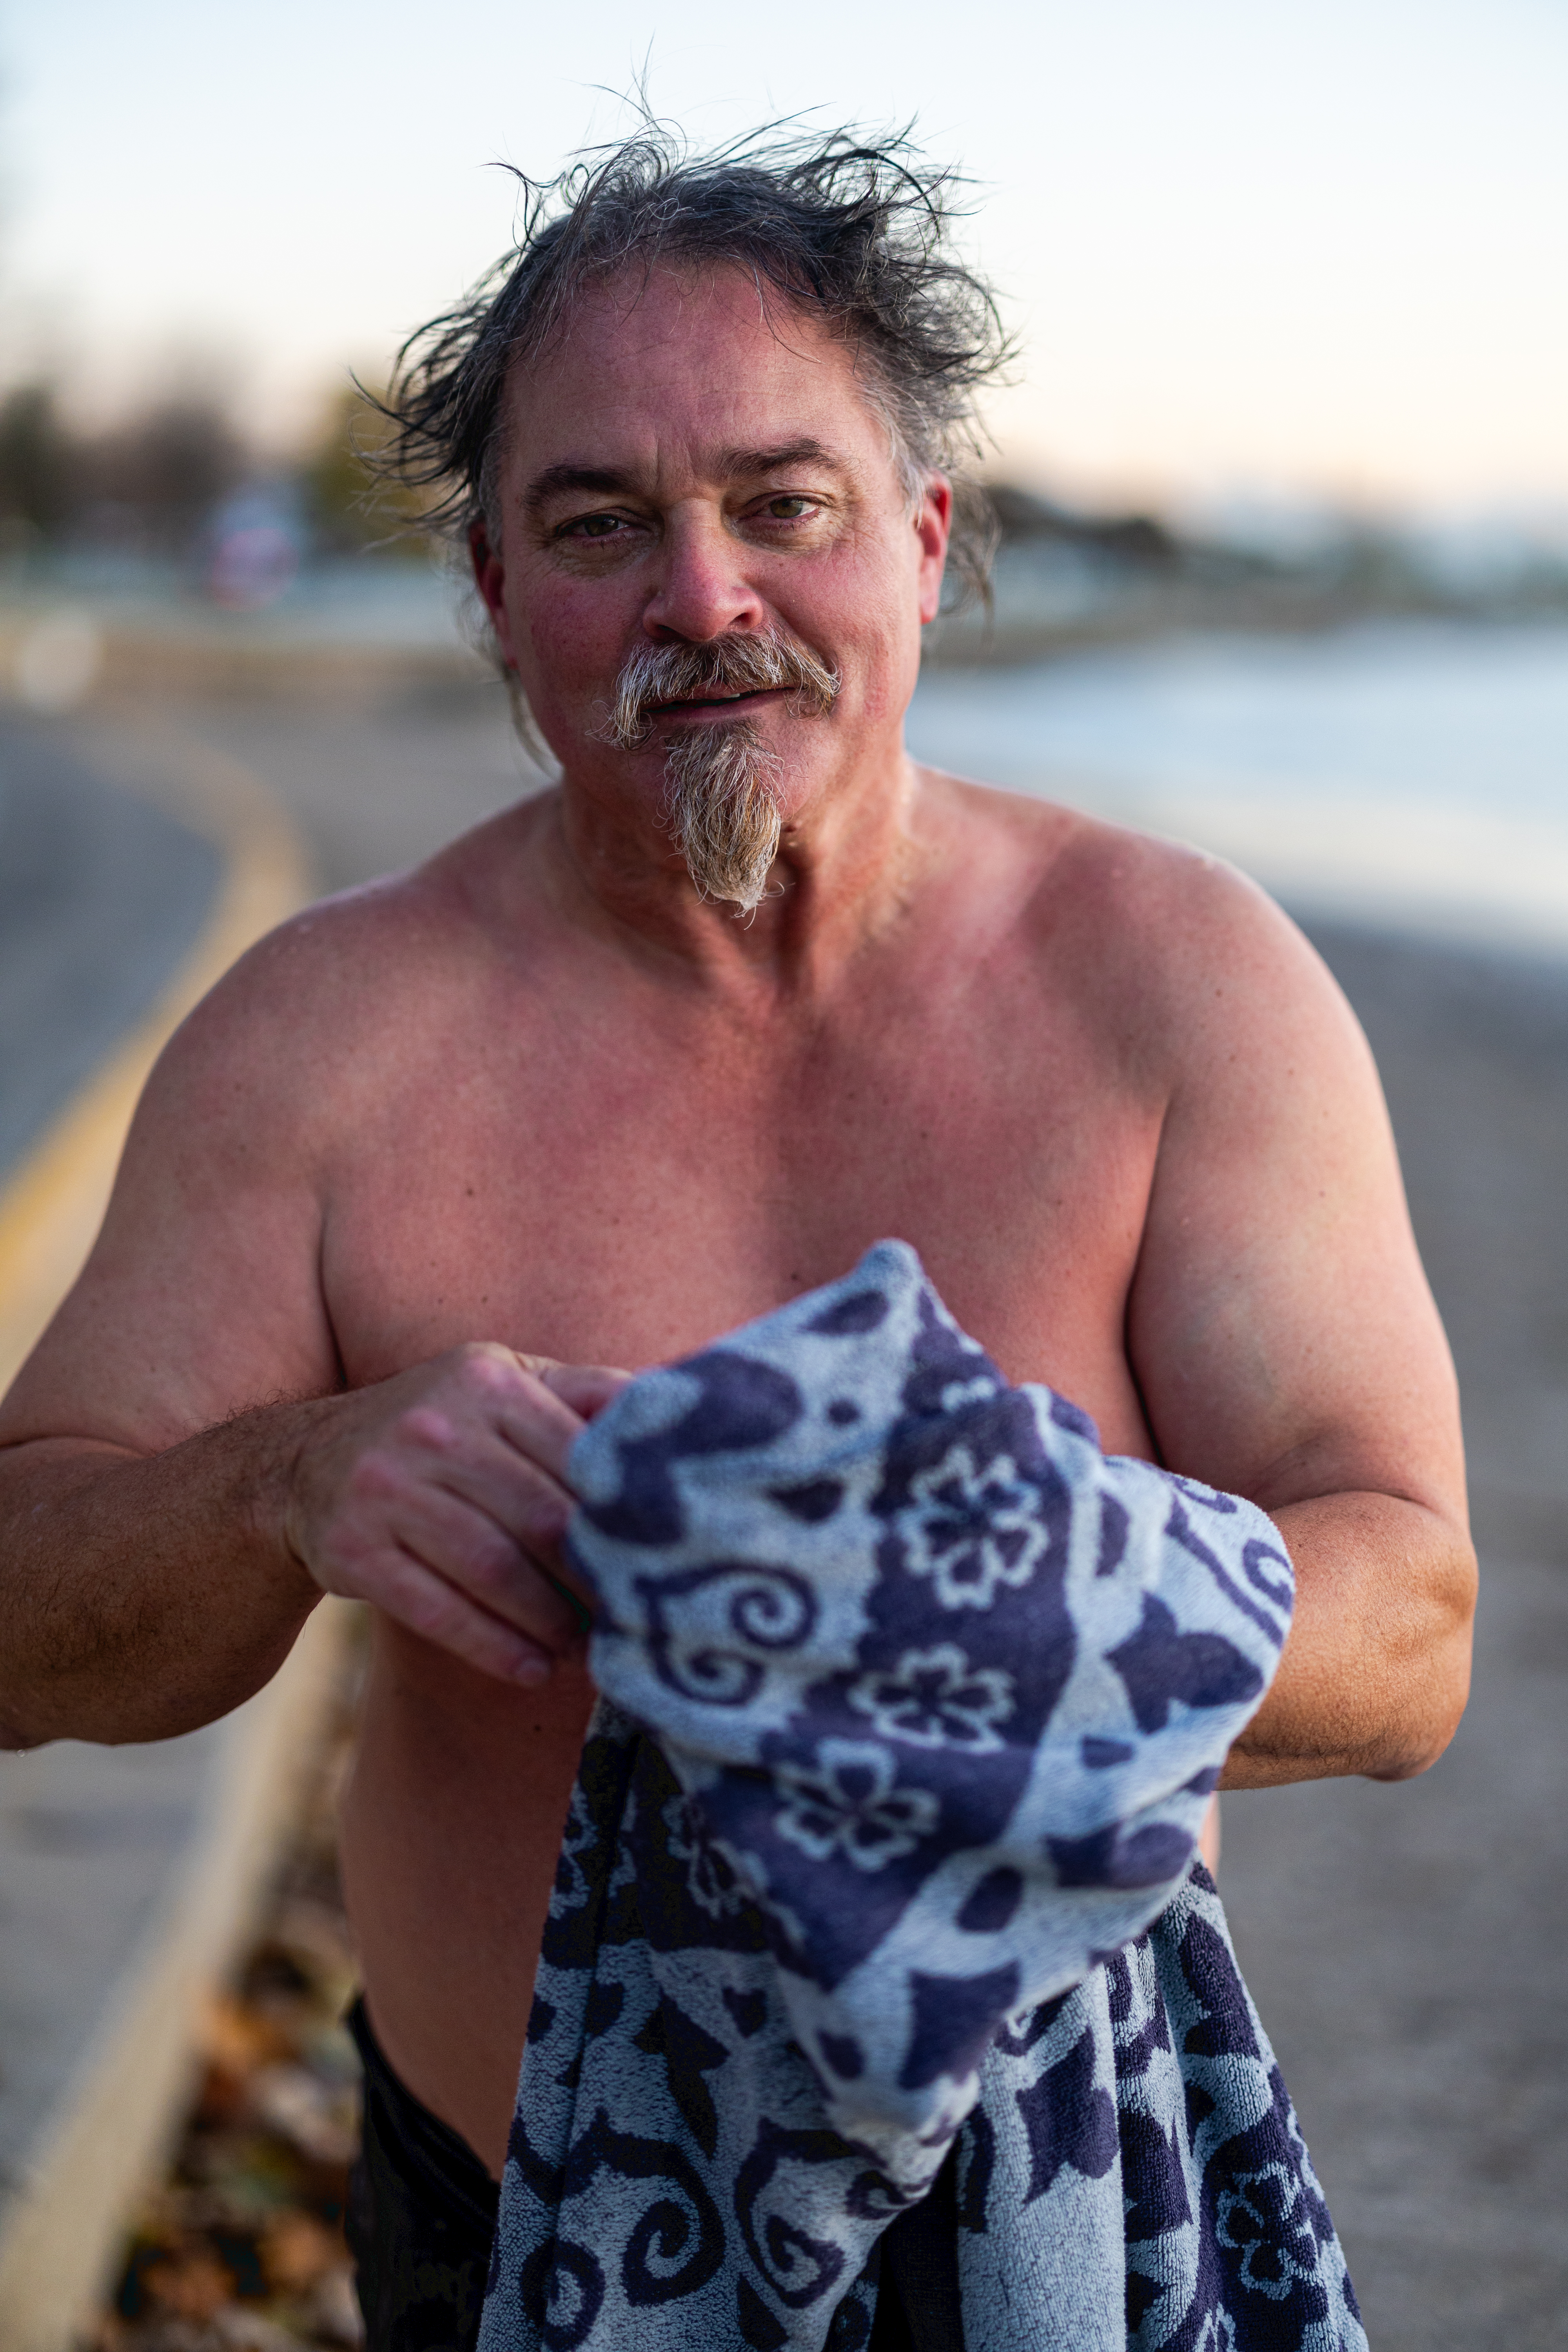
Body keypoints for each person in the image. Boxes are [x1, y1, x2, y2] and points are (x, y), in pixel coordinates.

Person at [0, 128, 1475, 2350]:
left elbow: (1415, 1628)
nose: (706, 598)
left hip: (1049, 2214)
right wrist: (299, 1479)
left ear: (927, 543)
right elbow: (26, 1615)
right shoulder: (323, 1040)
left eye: (785, 504)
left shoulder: (1181, 981)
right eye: (599, 526)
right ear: (494, 591)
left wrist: (981, 1598)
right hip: (504, 2230)